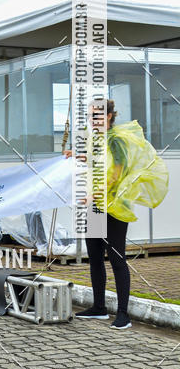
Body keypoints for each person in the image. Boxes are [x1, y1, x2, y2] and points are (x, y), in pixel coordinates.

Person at [65, 99, 168, 330]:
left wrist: (94, 195)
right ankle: (99, 307)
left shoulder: (118, 140)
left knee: (117, 259)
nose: (93, 120)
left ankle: (123, 314)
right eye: (90, 116)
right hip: (97, 205)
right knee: (94, 257)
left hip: (115, 206)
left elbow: (116, 175)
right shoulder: (96, 139)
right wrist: (77, 155)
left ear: (109, 116)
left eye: (97, 116)